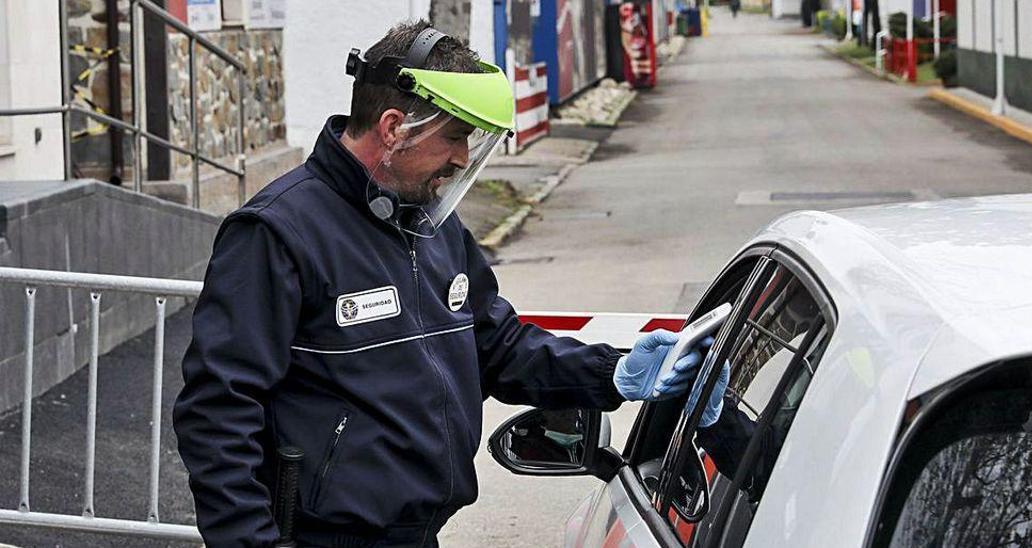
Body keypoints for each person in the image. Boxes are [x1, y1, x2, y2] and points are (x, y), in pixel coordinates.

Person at [172, 21, 708, 548]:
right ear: (393, 128)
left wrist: (612, 371)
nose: (459, 157)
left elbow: (498, 346)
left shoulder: (429, 222)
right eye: (454, 136)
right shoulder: (277, 232)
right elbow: (218, 409)